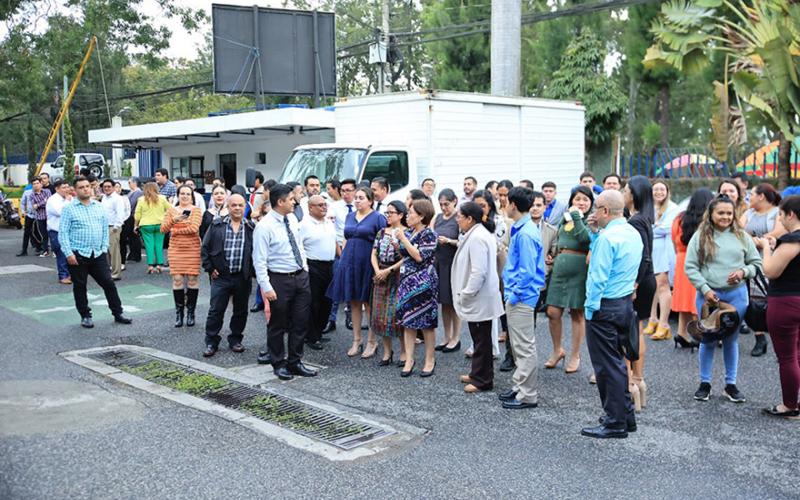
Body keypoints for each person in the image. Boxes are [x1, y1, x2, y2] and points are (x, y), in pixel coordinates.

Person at [684, 195, 762, 403]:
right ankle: (705, 383)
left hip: (737, 296)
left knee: (731, 340)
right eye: (721, 213)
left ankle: (731, 384)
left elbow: (756, 263)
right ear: (711, 214)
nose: (725, 217)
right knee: (707, 339)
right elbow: (690, 267)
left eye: (729, 213)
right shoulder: (700, 236)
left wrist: (743, 272)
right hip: (708, 298)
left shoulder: (742, 236)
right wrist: (705, 289)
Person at [580, 190, 642, 439]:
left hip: (604, 305)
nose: (593, 213)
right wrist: (595, 233)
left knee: (607, 366)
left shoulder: (608, 239)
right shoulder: (632, 232)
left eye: (596, 208)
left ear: (605, 210)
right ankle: (625, 416)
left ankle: (615, 422)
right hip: (624, 302)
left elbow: (598, 277)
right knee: (617, 362)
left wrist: (590, 309)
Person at [253, 185, 316, 380]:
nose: (294, 202)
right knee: (278, 325)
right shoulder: (264, 227)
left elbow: (299, 245)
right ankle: (278, 363)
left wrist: (304, 268)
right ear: (280, 202)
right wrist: (266, 287)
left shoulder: (292, 219)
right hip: (279, 279)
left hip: (300, 277)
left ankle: (295, 361)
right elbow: (259, 260)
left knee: (300, 322)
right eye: (290, 199)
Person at [59, 176, 133, 329]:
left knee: (108, 283)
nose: (85, 189)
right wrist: (68, 253)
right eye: (81, 187)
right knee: (80, 286)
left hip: (98, 253)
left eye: (87, 186)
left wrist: (104, 247)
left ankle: (118, 313)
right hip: (78, 254)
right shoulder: (68, 209)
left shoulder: (99, 206)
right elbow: (63, 233)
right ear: (75, 190)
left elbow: (104, 228)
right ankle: (85, 315)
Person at [499, 187, 546, 409]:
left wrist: (514, 295)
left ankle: (527, 394)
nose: (504, 205)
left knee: (524, 347)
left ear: (513, 205)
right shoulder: (523, 228)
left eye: (506, 202)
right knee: (518, 345)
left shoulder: (525, 233)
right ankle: (520, 386)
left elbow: (527, 272)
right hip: (519, 295)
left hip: (522, 297)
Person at [327, 187, 386, 357]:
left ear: (370, 200)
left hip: (367, 263)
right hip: (349, 262)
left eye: (361, 198)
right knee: (353, 301)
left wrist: (379, 267)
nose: (357, 200)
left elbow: (382, 242)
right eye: (356, 198)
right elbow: (346, 238)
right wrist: (342, 259)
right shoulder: (350, 216)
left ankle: (372, 341)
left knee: (368, 303)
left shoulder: (378, 217)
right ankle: (356, 340)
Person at [452, 201, 504, 393]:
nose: (457, 220)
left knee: (482, 341)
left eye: (459, 216)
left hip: (479, 297)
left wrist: (466, 294)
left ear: (469, 219)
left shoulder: (477, 237)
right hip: (480, 296)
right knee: (479, 339)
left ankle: (483, 380)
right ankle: (477, 374)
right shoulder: (478, 233)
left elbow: (478, 272)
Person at [759, 195, 800, 419]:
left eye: (781, 215)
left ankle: (789, 405)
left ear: (791, 214)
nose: (780, 219)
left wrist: (766, 247)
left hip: (785, 301)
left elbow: (770, 270)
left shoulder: (792, 240)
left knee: (787, 357)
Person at [544, 185, 593, 373]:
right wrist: (554, 254)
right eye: (577, 199)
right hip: (560, 269)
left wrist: (577, 217)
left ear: (591, 203)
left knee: (577, 313)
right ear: (571, 200)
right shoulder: (565, 219)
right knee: (552, 311)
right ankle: (558, 350)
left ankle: (575, 354)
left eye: (585, 200)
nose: (581, 203)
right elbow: (559, 240)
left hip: (580, 270)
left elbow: (585, 239)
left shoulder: (590, 220)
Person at [201, 194, 254, 357]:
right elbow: (205, 248)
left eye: (240, 205)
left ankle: (235, 339)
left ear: (245, 207)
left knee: (241, 311)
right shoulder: (217, 225)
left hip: (242, 277)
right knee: (216, 310)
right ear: (228, 207)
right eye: (234, 205)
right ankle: (211, 341)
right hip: (221, 277)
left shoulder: (251, 227)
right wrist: (210, 268)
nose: (237, 208)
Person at [621, 176, 656, 411]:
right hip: (645, 280)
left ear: (634, 194)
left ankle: (632, 382)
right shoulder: (642, 218)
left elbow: (643, 257)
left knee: (629, 333)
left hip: (638, 281)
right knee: (637, 330)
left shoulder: (636, 221)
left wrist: (633, 284)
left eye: (625, 190)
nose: (623, 193)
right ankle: (638, 381)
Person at [396, 199, 439, 377]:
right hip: (406, 281)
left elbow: (420, 256)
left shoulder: (429, 234)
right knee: (408, 321)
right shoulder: (409, 232)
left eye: (411, 213)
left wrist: (403, 239)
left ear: (421, 216)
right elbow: (404, 253)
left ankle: (430, 359)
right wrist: (398, 243)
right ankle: (409, 359)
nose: (407, 216)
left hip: (424, 282)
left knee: (427, 323)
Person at [671, 189, 715, 348]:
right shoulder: (708, 222)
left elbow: (674, 240)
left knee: (683, 300)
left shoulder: (679, 219)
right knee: (698, 300)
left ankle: (681, 333)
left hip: (681, 260)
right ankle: (699, 334)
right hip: (699, 262)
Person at [746, 183, 785, 357]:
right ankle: (760, 337)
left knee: (773, 300)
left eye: (752, 194)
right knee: (755, 300)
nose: (749, 198)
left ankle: (780, 339)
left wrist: (759, 240)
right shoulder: (748, 213)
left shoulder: (777, 212)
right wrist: (752, 241)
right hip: (752, 260)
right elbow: (738, 230)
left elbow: (779, 231)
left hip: (773, 259)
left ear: (761, 196)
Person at [370, 200, 407, 365]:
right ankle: (387, 352)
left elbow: (406, 258)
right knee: (380, 315)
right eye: (387, 212)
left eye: (391, 212)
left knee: (396, 315)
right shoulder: (381, 232)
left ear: (401, 215)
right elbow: (373, 253)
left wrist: (388, 271)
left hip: (397, 275)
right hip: (380, 274)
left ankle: (404, 352)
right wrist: (378, 270)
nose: (388, 215)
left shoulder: (406, 232)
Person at [161, 185, 202, 328]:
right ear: (178, 195)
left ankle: (191, 313)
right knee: (177, 280)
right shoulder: (171, 211)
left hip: (192, 249)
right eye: (182, 193)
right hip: (175, 249)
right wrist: (174, 220)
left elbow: (194, 228)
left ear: (192, 196)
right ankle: (179, 314)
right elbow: (163, 229)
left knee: (192, 279)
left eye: (188, 194)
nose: (185, 196)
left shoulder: (196, 210)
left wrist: (176, 230)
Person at [300, 195, 337, 351]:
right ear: (310, 208)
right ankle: (311, 336)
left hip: (329, 265)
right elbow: (299, 247)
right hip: (313, 266)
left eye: (325, 204)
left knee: (327, 301)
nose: (324, 207)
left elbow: (334, 242)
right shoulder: (304, 225)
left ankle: (319, 331)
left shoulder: (329, 222)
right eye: (320, 205)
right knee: (313, 302)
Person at [645, 180, 680, 341]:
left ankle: (664, 324)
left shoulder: (673, 208)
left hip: (665, 252)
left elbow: (667, 228)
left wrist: (651, 228)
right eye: (656, 189)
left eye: (662, 189)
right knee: (654, 286)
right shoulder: (648, 207)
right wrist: (654, 227)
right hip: (651, 250)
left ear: (667, 191)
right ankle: (653, 319)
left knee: (663, 286)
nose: (659, 192)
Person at [433, 189, 461, 352]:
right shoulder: (437, 218)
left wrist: (449, 241)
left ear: (454, 201)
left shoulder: (459, 218)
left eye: (447, 204)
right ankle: (446, 336)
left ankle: (456, 338)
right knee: (444, 302)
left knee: (454, 302)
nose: (444, 208)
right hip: (439, 262)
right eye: (441, 204)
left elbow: (463, 241)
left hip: (453, 263)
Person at [134, 182, 172, 274]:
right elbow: (170, 209)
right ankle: (159, 265)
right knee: (159, 244)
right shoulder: (162, 198)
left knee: (149, 245)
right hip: (160, 224)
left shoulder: (141, 199)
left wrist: (135, 225)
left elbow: (137, 214)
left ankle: (151, 265)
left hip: (146, 225)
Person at [45, 179, 72, 284]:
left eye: (67, 187)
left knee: (69, 253)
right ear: (57, 189)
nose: (66, 189)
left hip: (68, 230)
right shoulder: (53, 200)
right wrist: (67, 201)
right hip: (56, 231)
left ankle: (70, 274)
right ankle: (63, 276)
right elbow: (60, 211)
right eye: (63, 187)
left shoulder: (69, 198)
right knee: (61, 253)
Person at [100, 179, 128, 281]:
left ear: (113, 187)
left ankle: (116, 273)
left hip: (113, 227)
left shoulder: (117, 198)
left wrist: (116, 227)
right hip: (104, 226)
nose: (106, 188)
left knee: (114, 251)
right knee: (106, 251)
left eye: (109, 186)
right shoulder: (104, 198)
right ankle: (108, 272)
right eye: (105, 187)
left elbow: (120, 213)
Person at [121, 177, 143, 264]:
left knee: (134, 236)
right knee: (131, 236)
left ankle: (136, 255)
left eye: (129, 182)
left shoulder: (138, 192)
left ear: (134, 183)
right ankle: (132, 254)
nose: (129, 184)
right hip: (129, 216)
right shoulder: (131, 192)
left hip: (134, 216)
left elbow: (132, 204)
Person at [17, 181, 38, 256]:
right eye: (34, 184)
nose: (35, 185)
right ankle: (24, 250)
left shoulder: (43, 192)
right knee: (26, 233)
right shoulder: (27, 192)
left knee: (37, 232)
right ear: (32, 185)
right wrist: (23, 211)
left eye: (37, 183)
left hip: (39, 216)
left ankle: (40, 248)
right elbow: (22, 203)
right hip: (29, 215)